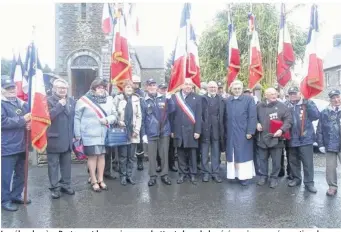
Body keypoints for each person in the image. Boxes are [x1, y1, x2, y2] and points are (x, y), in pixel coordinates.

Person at [74, 78, 117, 192]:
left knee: (102, 157)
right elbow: (77, 118)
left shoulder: (109, 100)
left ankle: (101, 179)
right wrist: (77, 134)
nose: (101, 89)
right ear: (93, 88)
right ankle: (93, 180)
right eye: (99, 87)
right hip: (89, 134)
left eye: (103, 87)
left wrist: (107, 120)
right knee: (92, 157)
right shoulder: (83, 100)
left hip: (104, 134)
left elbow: (114, 115)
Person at [1, 75, 31, 211]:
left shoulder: (20, 102)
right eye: (8, 88)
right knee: (5, 176)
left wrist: (28, 124)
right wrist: (23, 120)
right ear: (2, 90)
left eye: (12, 87)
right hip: (7, 146)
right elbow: (3, 122)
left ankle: (16, 195)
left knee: (21, 174)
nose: (11, 90)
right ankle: (5, 200)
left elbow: (27, 119)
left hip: (22, 144)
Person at [141, 79, 175, 186]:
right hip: (150, 132)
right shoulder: (143, 101)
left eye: (154, 85)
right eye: (149, 85)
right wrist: (143, 134)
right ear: (146, 87)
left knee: (164, 154)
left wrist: (170, 100)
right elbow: (141, 118)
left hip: (164, 130)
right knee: (151, 156)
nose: (152, 87)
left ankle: (164, 175)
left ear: (156, 87)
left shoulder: (164, 98)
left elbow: (172, 110)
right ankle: (152, 176)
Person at [256, 88, 292, 188]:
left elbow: (288, 120)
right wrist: (256, 123)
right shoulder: (259, 106)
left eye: (275, 94)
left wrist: (281, 130)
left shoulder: (282, 106)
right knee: (262, 159)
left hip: (277, 139)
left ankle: (274, 178)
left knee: (276, 161)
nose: (274, 95)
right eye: (271, 94)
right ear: (266, 95)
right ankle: (263, 176)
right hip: (262, 137)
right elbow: (254, 117)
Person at [286, 87, 319, 193]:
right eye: (290, 94)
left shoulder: (307, 103)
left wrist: (307, 102)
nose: (292, 95)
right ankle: (296, 179)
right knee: (293, 161)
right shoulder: (287, 105)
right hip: (292, 138)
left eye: (294, 93)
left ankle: (309, 183)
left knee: (307, 162)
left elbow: (316, 116)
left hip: (306, 138)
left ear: (300, 94)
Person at [46, 79, 75, 199]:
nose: (63, 90)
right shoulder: (47, 101)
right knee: (53, 165)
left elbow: (72, 119)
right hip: (54, 138)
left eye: (65, 88)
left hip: (67, 139)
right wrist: (59, 105)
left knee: (66, 165)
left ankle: (65, 185)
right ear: (54, 88)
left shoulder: (71, 100)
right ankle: (54, 188)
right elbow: (47, 117)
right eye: (60, 87)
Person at [225, 80, 257, 185]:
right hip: (231, 132)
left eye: (239, 88)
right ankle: (233, 175)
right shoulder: (228, 100)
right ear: (231, 89)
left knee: (243, 154)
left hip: (243, 132)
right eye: (235, 88)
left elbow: (252, 116)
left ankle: (244, 177)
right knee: (233, 154)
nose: (237, 90)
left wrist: (250, 131)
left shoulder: (249, 100)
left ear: (242, 89)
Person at [171, 78, 202, 184]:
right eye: (186, 84)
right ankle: (182, 174)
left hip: (192, 130)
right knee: (180, 153)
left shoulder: (197, 98)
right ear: (181, 86)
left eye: (190, 84)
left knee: (192, 154)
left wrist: (198, 131)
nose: (188, 86)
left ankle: (193, 174)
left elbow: (199, 115)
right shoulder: (174, 97)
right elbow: (171, 116)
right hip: (178, 130)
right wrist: (172, 130)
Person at [113, 80, 142, 186]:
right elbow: (113, 112)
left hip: (133, 131)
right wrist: (119, 121)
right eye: (127, 87)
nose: (129, 89)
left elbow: (139, 116)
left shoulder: (136, 99)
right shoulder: (118, 98)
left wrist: (137, 130)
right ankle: (123, 176)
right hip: (122, 131)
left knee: (131, 156)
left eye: (131, 87)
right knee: (123, 156)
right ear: (123, 89)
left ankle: (129, 176)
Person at [317, 90, 341, 196]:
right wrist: (321, 144)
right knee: (330, 167)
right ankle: (332, 187)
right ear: (330, 100)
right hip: (330, 144)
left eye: (338, 97)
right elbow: (320, 129)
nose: (336, 100)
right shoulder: (325, 112)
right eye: (333, 98)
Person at [201, 81, 225, 183]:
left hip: (217, 130)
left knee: (216, 153)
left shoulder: (222, 100)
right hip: (204, 130)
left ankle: (215, 173)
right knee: (204, 153)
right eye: (211, 87)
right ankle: (206, 173)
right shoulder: (201, 99)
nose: (213, 89)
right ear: (207, 88)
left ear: (217, 88)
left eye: (214, 87)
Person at [132, 74, 146, 171]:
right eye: (134, 82)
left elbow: (144, 108)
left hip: (139, 121)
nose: (135, 84)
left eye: (137, 83)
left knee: (140, 143)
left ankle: (140, 162)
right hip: (129, 122)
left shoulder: (142, 94)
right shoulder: (127, 92)